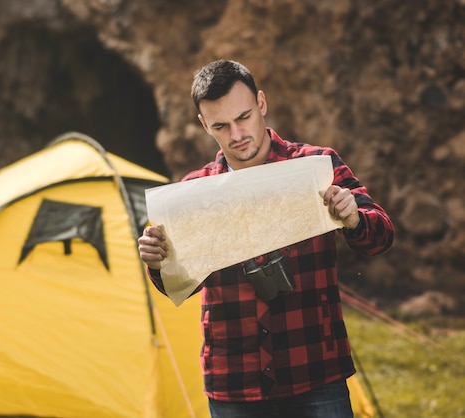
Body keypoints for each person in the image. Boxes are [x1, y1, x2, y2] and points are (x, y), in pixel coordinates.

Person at [138, 60, 394, 418]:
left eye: (243, 117)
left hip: (316, 371)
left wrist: (353, 218)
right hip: (233, 382)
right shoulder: (192, 192)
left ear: (261, 103)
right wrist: (157, 262)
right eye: (221, 126)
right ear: (203, 125)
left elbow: (381, 237)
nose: (236, 134)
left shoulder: (316, 166)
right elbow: (179, 285)